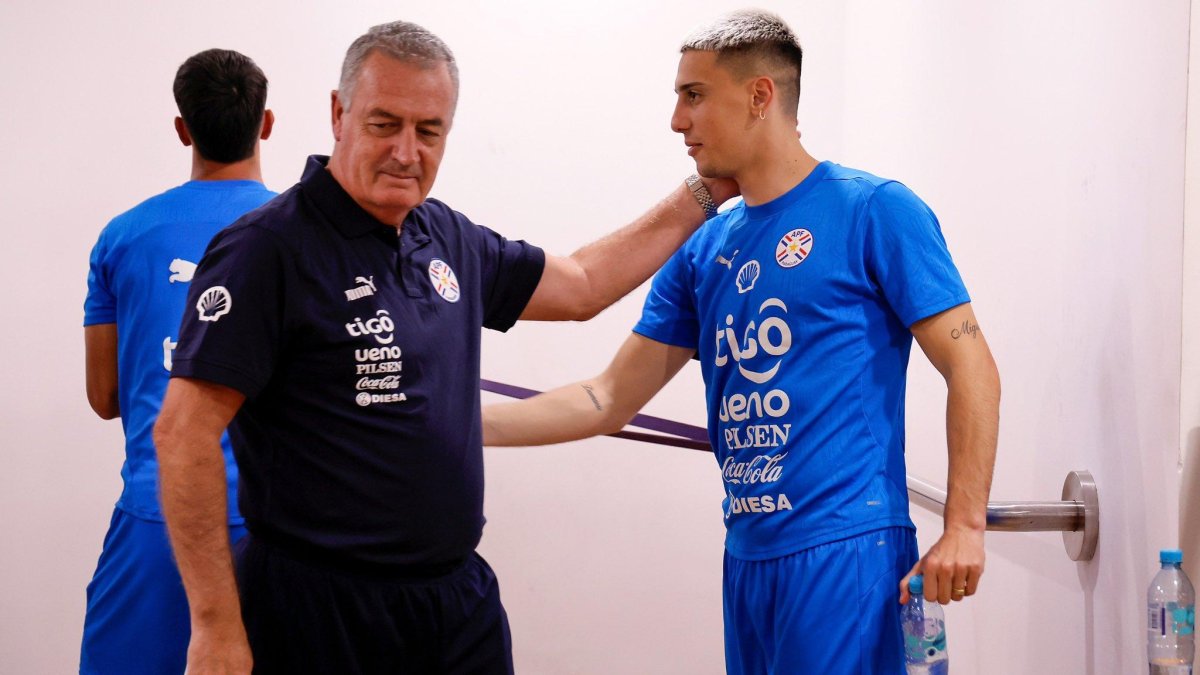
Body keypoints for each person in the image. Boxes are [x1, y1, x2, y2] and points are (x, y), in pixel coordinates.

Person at [153, 20, 737, 675]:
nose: (407, 151)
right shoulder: (266, 249)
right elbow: (183, 434)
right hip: (317, 609)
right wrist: (214, 626)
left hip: (452, 604)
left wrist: (705, 191)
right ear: (339, 114)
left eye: (429, 131)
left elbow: (581, 285)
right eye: (385, 124)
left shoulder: (446, 237)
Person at [483, 10, 1001, 674]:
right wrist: (462, 427)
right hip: (748, 559)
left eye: (693, 95)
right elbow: (607, 397)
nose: (677, 120)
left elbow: (973, 366)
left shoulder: (875, 210)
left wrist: (965, 526)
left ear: (760, 96)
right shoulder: (704, 248)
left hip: (848, 556)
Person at [80, 49, 275, 674]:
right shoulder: (304, 233)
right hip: (277, 529)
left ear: (182, 129)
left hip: (159, 521)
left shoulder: (123, 236)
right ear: (265, 124)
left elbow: (105, 397)